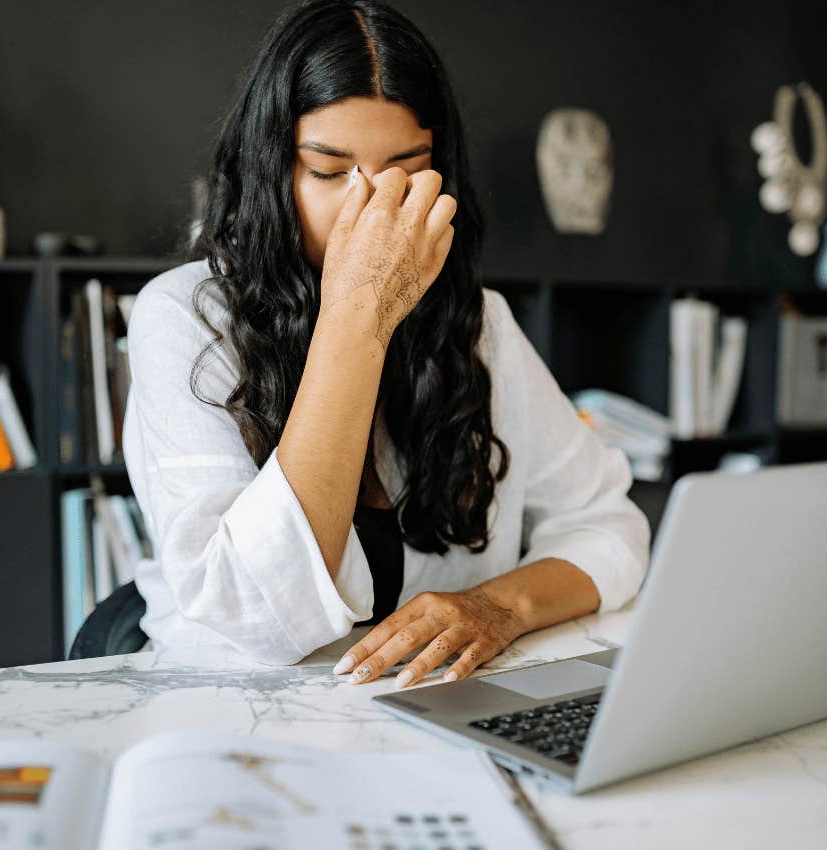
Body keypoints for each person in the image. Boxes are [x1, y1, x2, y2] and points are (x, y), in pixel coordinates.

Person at [123, 0, 650, 689]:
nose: (370, 208)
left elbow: (609, 525)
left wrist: (498, 605)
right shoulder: (185, 317)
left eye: (406, 168)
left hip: (427, 705)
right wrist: (359, 313)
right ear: (271, 172)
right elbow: (254, 617)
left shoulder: (478, 323)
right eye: (329, 171)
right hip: (238, 710)